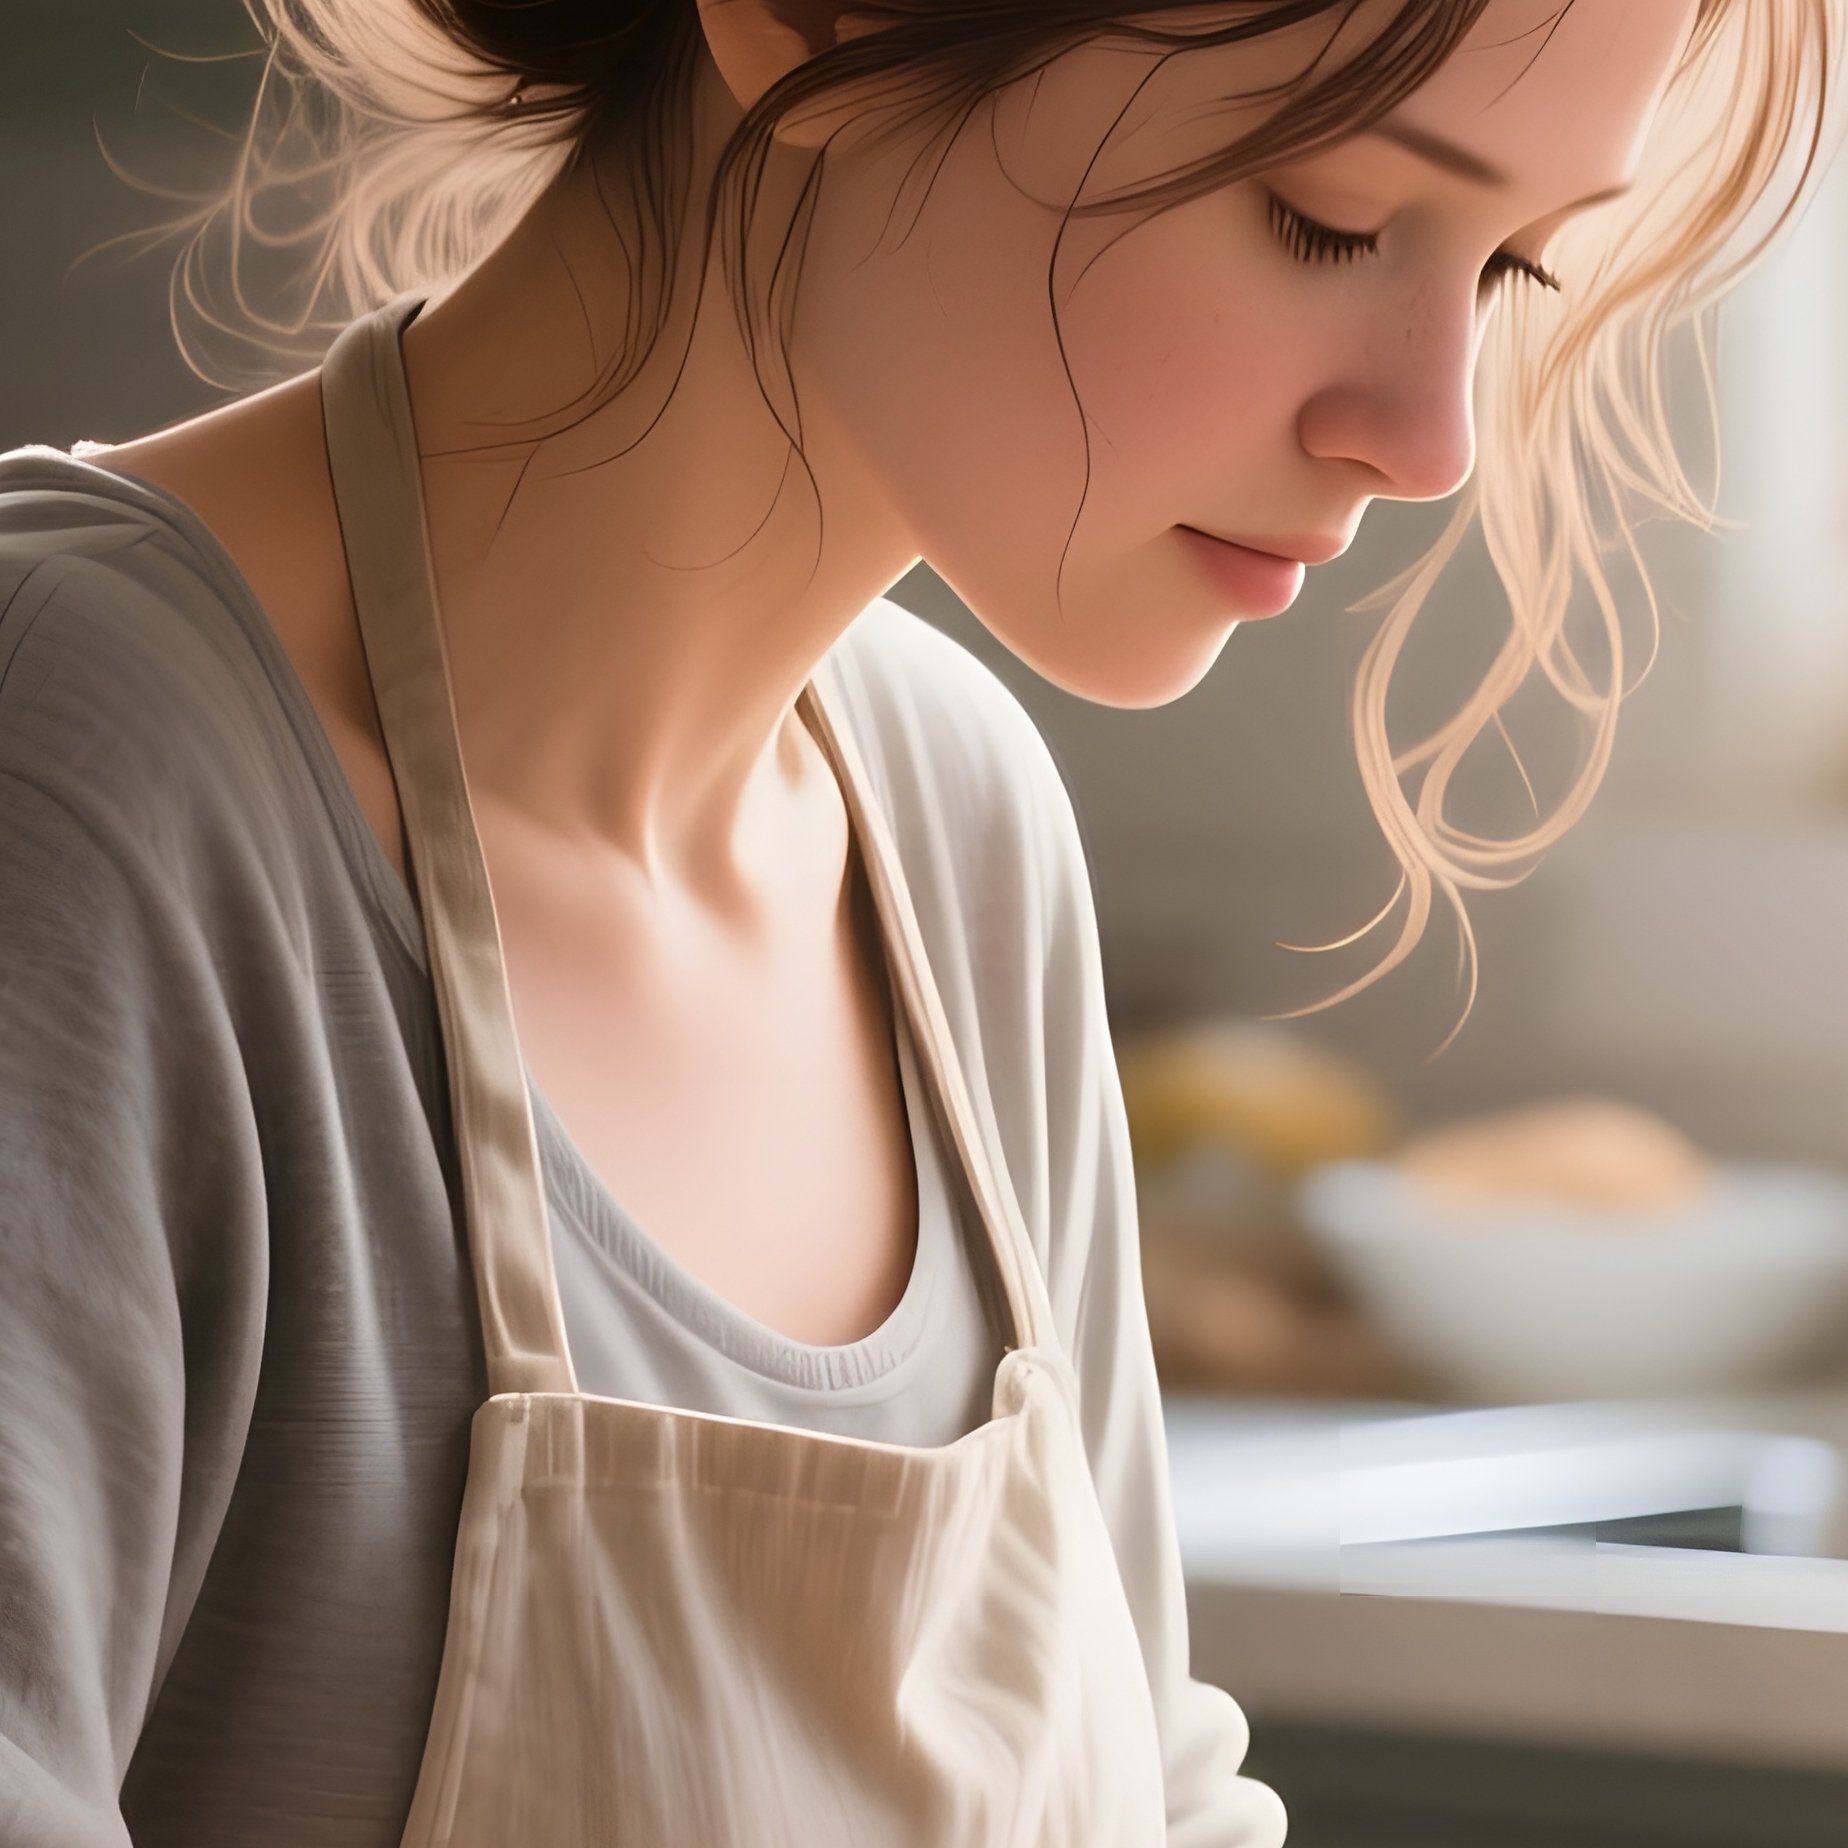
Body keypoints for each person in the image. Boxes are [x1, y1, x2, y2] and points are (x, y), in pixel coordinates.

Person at [0, 0, 1839, 1841]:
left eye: (1510, 266)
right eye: (1327, 217)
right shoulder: (82, 784)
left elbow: (1152, 1791)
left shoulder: (956, 832)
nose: (1430, 437)